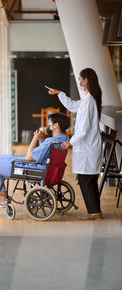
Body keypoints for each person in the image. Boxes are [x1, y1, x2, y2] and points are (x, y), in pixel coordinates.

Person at [45, 67, 103, 220]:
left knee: (86, 180)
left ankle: (94, 212)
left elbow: (83, 129)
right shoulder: (88, 99)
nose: (79, 81)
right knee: (88, 180)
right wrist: (59, 93)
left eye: (80, 78)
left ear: (86, 80)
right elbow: (73, 106)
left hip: (88, 147)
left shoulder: (89, 101)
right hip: (88, 146)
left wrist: (70, 142)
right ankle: (95, 211)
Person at [0, 112, 70, 207]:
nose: (48, 124)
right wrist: (41, 140)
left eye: (49, 122)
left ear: (56, 125)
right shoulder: (64, 140)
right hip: (45, 168)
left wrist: (34, 138)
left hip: (32, 169)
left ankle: (1, 197)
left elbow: (29, 158)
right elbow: (45, 155)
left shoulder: (50, 141)